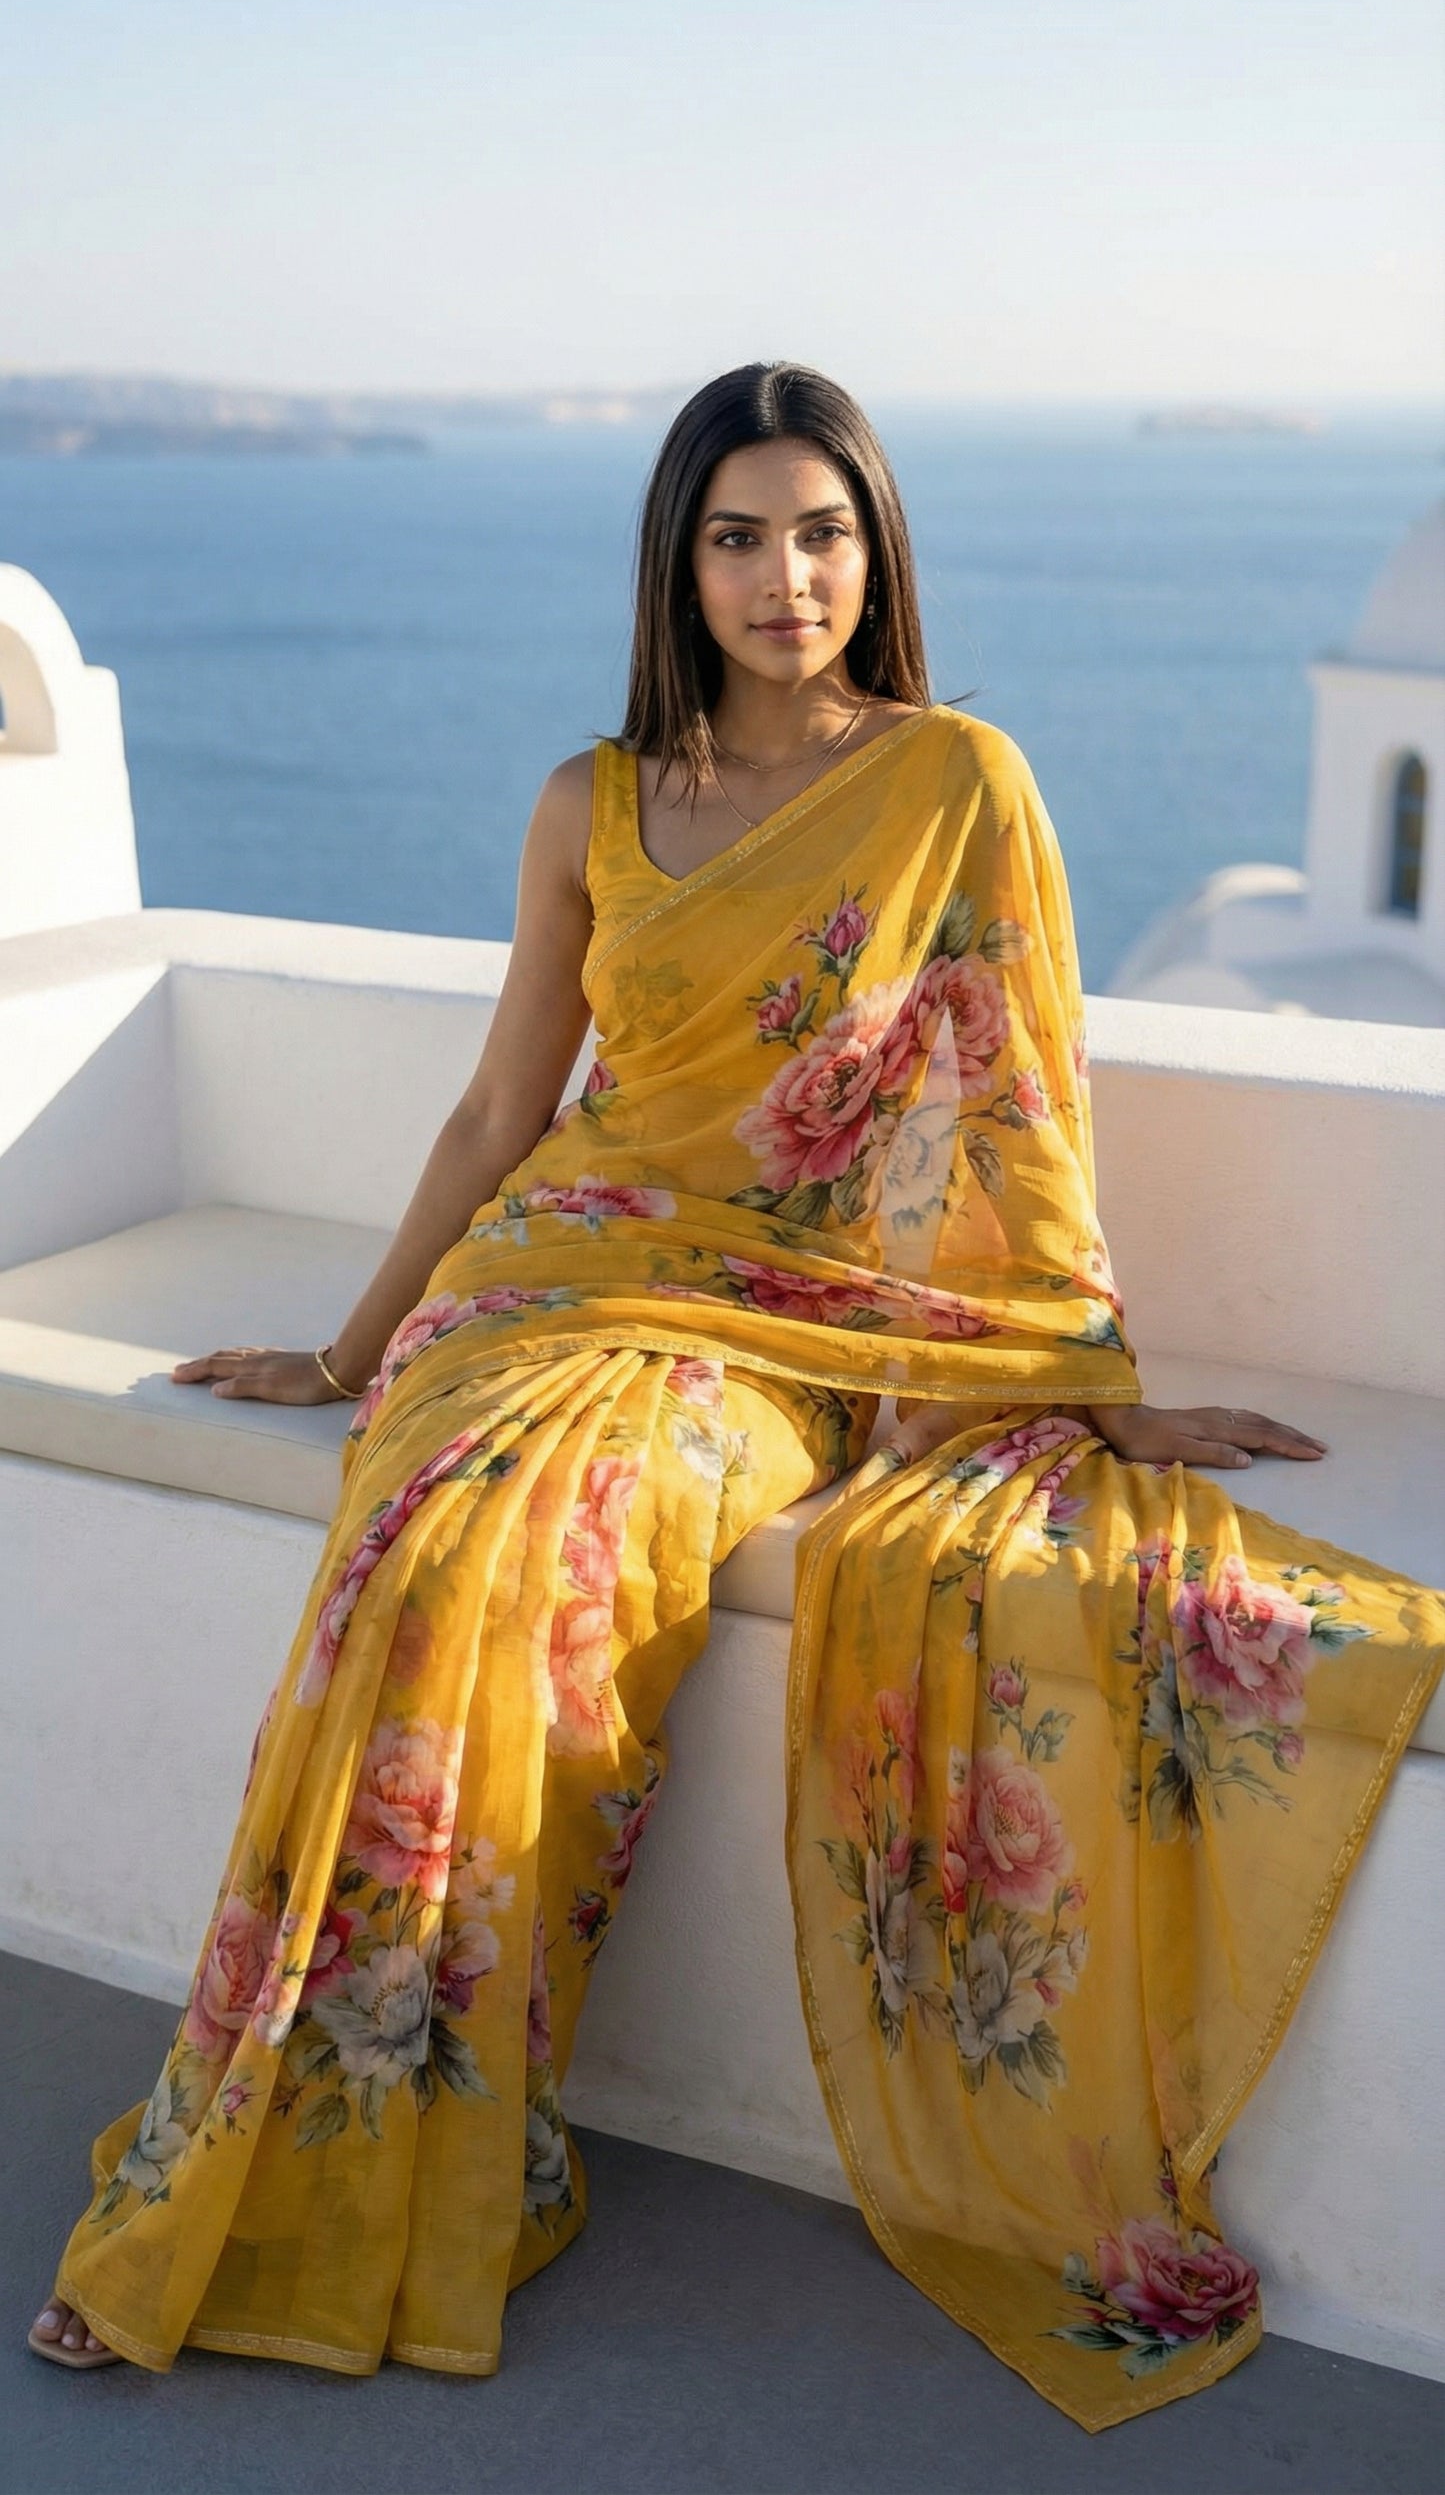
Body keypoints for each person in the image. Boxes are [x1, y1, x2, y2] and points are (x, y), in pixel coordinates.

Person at [30, 363, 1443, 2429]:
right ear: (677, 564)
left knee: (532, 1563)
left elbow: (1020, 1109)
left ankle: (433, 2128)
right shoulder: (592, 800)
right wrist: (348, 1351)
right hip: (544, 1278)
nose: (788, 577)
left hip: (789, 1323)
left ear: (876, 553)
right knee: (413, 1555)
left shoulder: (955, 777)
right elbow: (504, 1108)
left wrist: (1077, 1379)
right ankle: (270, 2147)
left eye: (824, 532)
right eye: (740, 536)